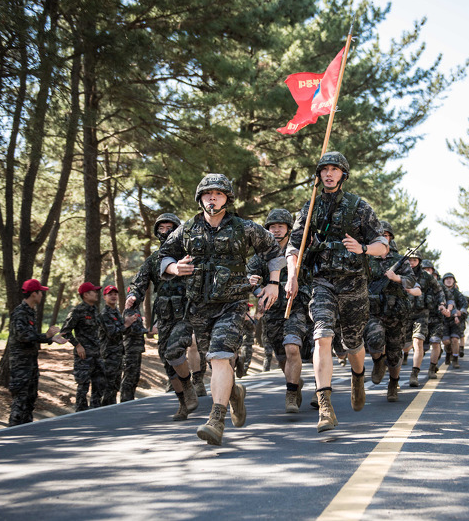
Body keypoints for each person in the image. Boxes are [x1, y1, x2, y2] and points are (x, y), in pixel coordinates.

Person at [159, 173, 283, 445]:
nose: (212, 198)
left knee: (218, 356)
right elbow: (164, 255)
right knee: (217, 363)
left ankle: (216, 419)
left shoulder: (245, 227)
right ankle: (234, 393)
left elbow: (274, 252)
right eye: (207, 193)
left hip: (233, 303)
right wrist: (173, 267)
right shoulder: (187, 229)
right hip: (199, 308)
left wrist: (274, 283)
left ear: (227, 197)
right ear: (200, 198)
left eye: (218, 193)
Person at [285, 151, 388, 433]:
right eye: (324, 170)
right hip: (322, 283)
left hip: (354, 284)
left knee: (353, 342)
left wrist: (364, 248)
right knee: (322, 337)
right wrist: (292, 275)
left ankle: (358, 375)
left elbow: (383, 245)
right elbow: (294, 247)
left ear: (343, 174)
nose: (329, 174)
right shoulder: (310, 209)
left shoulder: (359, 207)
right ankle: (326, 405)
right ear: (318, 175)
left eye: (334, 169)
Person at [126, 212, 196, 420]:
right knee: (167, 360)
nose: (165, 232)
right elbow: (139, 283)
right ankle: (183, 403)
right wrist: (132, 297)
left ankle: (189, 386)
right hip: (164, 317)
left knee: (175, 351)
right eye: (161, 229)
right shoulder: (154, 260)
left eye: (170, 228)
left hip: (185, 314)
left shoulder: (190, 255)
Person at [248, 208, 311, 412]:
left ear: (288, 229)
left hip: (297, 307)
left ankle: (291, 394)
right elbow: (249, 279)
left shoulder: (299, 252)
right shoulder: (260, 256)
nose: (275, 230)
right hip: (272, 311)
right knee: (281, 356)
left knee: (292, 347)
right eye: (272, 227)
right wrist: (257, 289)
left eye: (280, 226)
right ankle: (294, 383)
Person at [363, 222, 421, 399]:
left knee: (395, 354)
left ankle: (393, 385)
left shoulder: (400, 260)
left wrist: (396, 278)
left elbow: (411, 281)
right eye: (379, 235)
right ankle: (378, 362)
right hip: (374, 311)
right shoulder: (367, 259)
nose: (383, 237)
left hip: (396, 312)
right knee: (374, 340)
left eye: (386, 235)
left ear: (390, 239)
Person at [8, 279, 66, 426]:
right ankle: (11, 436)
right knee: (20, 403)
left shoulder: (30, 312)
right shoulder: (20, 313)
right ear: (34, 294)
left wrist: (51, 338)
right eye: (41, 292)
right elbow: (22, 336)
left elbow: (32, 337)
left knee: (29, 401)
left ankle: (26, 436)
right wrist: (46, 336)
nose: (42, 295)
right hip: (21, 366)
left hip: (30, 365)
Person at [59, 282, 106, 411]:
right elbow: (65, 331)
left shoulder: (95, 310)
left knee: (99, 383)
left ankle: (96, 411)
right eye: (93, 291)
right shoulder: (77, 310)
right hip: (84, 356)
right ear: (85, 295)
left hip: (97, 354)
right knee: (83, 386)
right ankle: (80, 413)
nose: (96, 294)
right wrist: (77, 345)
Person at [99, 285, 137, 406]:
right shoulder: (105, 314)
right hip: (109, 354)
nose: (113, 296)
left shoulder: (116, 312)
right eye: (110, 294)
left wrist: (129, 323)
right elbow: (112, 333)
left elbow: (123, 331)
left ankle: (113, 409)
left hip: (118, 353)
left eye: (115, 294)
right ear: (104, 297)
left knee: (115, 384)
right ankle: (105, 410)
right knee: (108, 385)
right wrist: (126, 324)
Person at [422, 260, 448, 380]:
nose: (427, 271)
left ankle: (432, 368)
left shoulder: (439, 286)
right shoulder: (416, 282)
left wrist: (447, 309)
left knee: (436, 342)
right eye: (424, 269)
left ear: (432, 271)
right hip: (421, 318)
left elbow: (450, 299)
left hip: (437, 319)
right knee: (421, 347)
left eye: (429, 269)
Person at [442, 272, 468, 369]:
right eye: (446, 279)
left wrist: (460, 312)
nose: (449, 280)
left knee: (455, 339)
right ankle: (448, 352)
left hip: (455, 320)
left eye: (451, 279)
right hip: (443, 320)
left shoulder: (457, 293)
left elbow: (465, 304)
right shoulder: (439, 291)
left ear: (454, 281)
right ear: (443, 281)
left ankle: (455, 359)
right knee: (446, 341)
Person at [120, 307, 147, 401]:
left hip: (137, 349)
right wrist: (147, 331)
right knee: (129, 377)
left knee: (135, 377)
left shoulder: (136, 310)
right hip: (130, 349)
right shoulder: (129, 311)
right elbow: (131, 329)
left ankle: (130, 401)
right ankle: (125, 402)